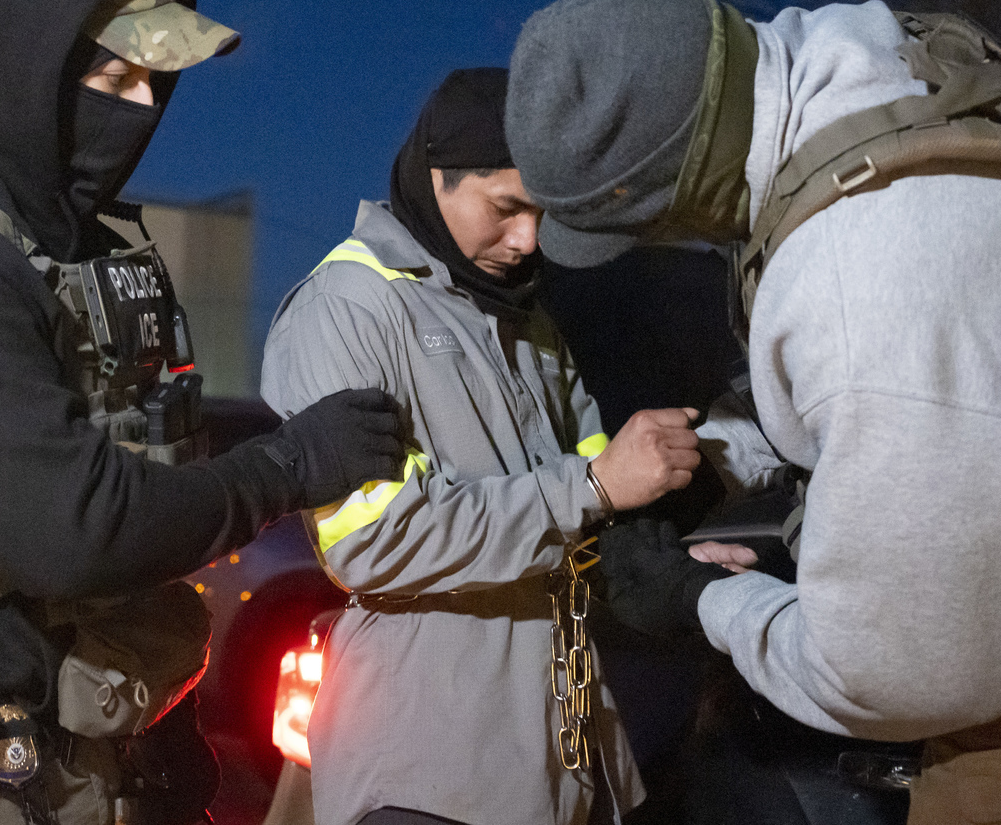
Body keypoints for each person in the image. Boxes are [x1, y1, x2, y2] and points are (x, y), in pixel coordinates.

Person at [0, 0, 405, 824]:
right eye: (111, 76)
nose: (141, 108)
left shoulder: (54, 246)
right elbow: (77, 529)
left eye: (156, 82)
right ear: (18, 66)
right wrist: (290, 463)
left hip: (67, 758)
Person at [504, 0, 1001, 823]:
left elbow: (898, 678)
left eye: (640, 222)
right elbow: (898, 380)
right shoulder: (865, 67)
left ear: (681, 178)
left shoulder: (860, 284)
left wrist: (700, 599)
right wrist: (711, 463)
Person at [260, 67, 720, 825]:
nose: (528, 239)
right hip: (428, 774)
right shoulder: (347, 307)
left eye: (542, 214)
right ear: (436, 176)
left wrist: (661, 560)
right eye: (506, 208)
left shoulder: (522, 314)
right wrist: (593, 485)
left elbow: (588, 509)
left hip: (570, 763)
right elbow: (375, 539)